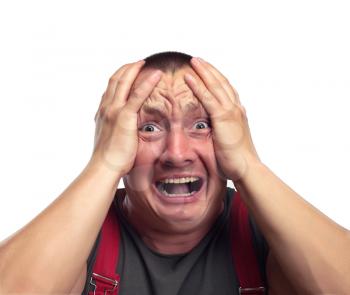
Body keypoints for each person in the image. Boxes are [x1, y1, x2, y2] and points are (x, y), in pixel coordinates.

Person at [0, 51, 349, 295]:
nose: (177, 154)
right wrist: (103, 165)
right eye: (149, 128)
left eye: (201, 124)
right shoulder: (77, 239)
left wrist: (248, 165)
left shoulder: (271, 232)